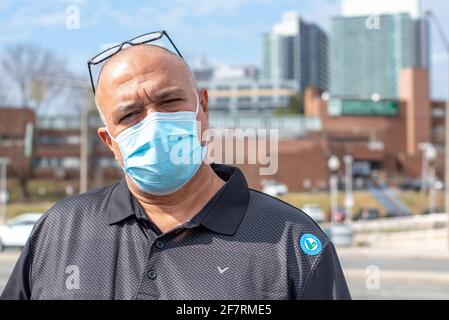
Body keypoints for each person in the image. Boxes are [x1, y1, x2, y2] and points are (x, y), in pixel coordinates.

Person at [1, 38, 350, 300]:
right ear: (110, 142)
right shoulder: (59, 229)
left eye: (168, 101)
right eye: (129, 114)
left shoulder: (292, 242)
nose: (153, 122)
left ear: (203, 107)